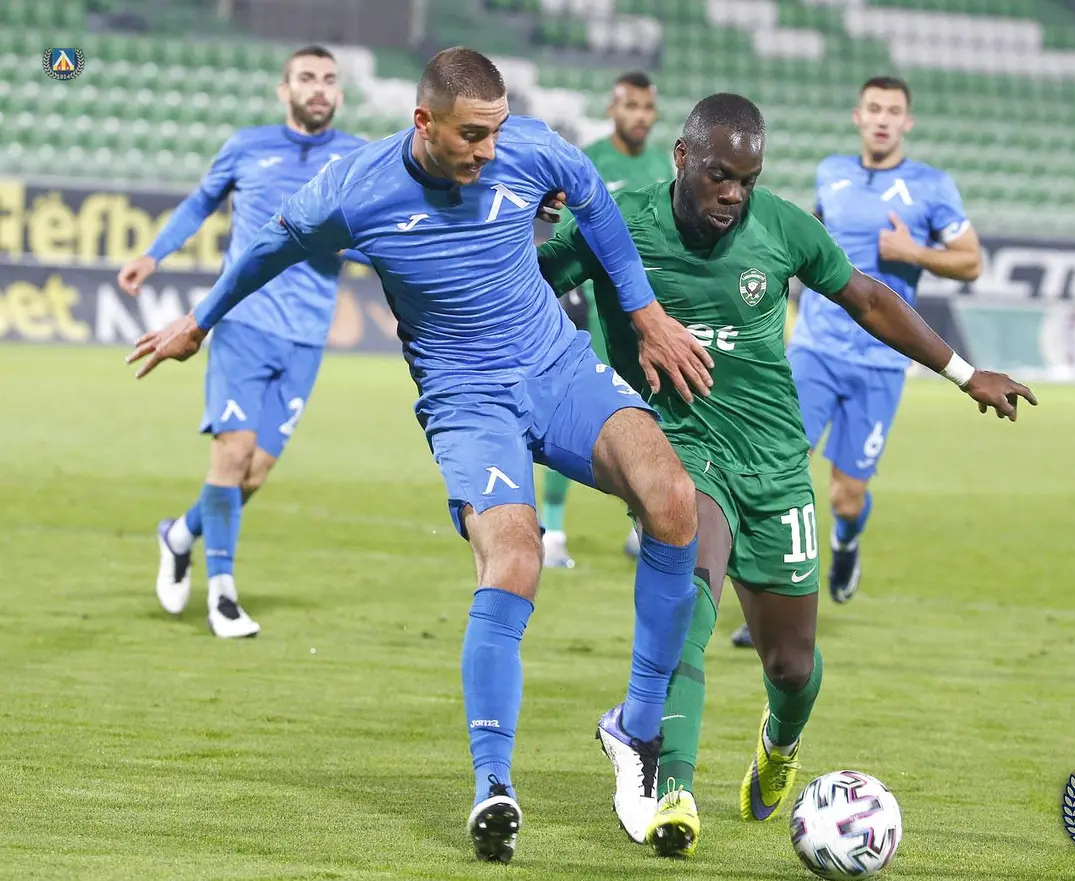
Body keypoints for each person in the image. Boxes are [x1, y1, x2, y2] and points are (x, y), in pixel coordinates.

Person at [125, 47, 716, 865]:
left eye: (496, 131)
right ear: (423, 122)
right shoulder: (354, 190)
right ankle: (493, 783)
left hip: (556, 366)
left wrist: (644, 314)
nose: (489, 150)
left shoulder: (526, 149)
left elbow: (588, 192)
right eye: (472, 135)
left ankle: (637, 730)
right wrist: (199, 321)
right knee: (514, 559)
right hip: (467, 400)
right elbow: (266, 246)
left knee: (674, 500)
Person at [536, 93, 1035, 857]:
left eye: (748, 179)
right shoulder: (618, 221)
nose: (733, 194)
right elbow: (524, 280)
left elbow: (868, 298)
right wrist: (511, 216)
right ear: (681, 157)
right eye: (719, 175)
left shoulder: (780, 227)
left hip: (773, 461)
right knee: (687, 606)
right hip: (678, 448)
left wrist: (966, 374)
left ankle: (780, 739)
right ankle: (671, 787)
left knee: (792, 664)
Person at [116, 45, 367, 638]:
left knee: (253, 472)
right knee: (231, 456)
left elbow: (374, 237)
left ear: (339, 92)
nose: (319, 88)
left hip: (307, 334)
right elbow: (201, 202)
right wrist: (154, 254)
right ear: (284, 89)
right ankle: (223, 596)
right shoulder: (247, 146)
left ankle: (180, 534)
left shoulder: (359, 158)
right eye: (306, 78)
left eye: (329, 80)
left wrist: (348, 246)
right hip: (243, 322)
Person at [733, 76, 982, 648]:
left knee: (846, 494)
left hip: (881, 362)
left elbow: (971, 262)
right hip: (815, 351)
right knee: (776, 474)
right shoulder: (832, 173)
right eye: (874, 108)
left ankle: (846, 541)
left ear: (907, 122)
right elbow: (813, 238)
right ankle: (768, 603)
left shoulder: (932, 186)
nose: (883, 119)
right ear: (858, 116)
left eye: (893, 111)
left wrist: (914, 252)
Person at [541, 71, 675, 569]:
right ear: (612, 109)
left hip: (652, 314)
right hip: (599, 311)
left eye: (647, 107)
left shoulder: (663, 164)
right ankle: (552, 530)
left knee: (654, 419)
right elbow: (569, 238)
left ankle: (644, 524)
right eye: (630, 106)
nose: (639, 116)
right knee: (578, 416)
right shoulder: (590, 160)